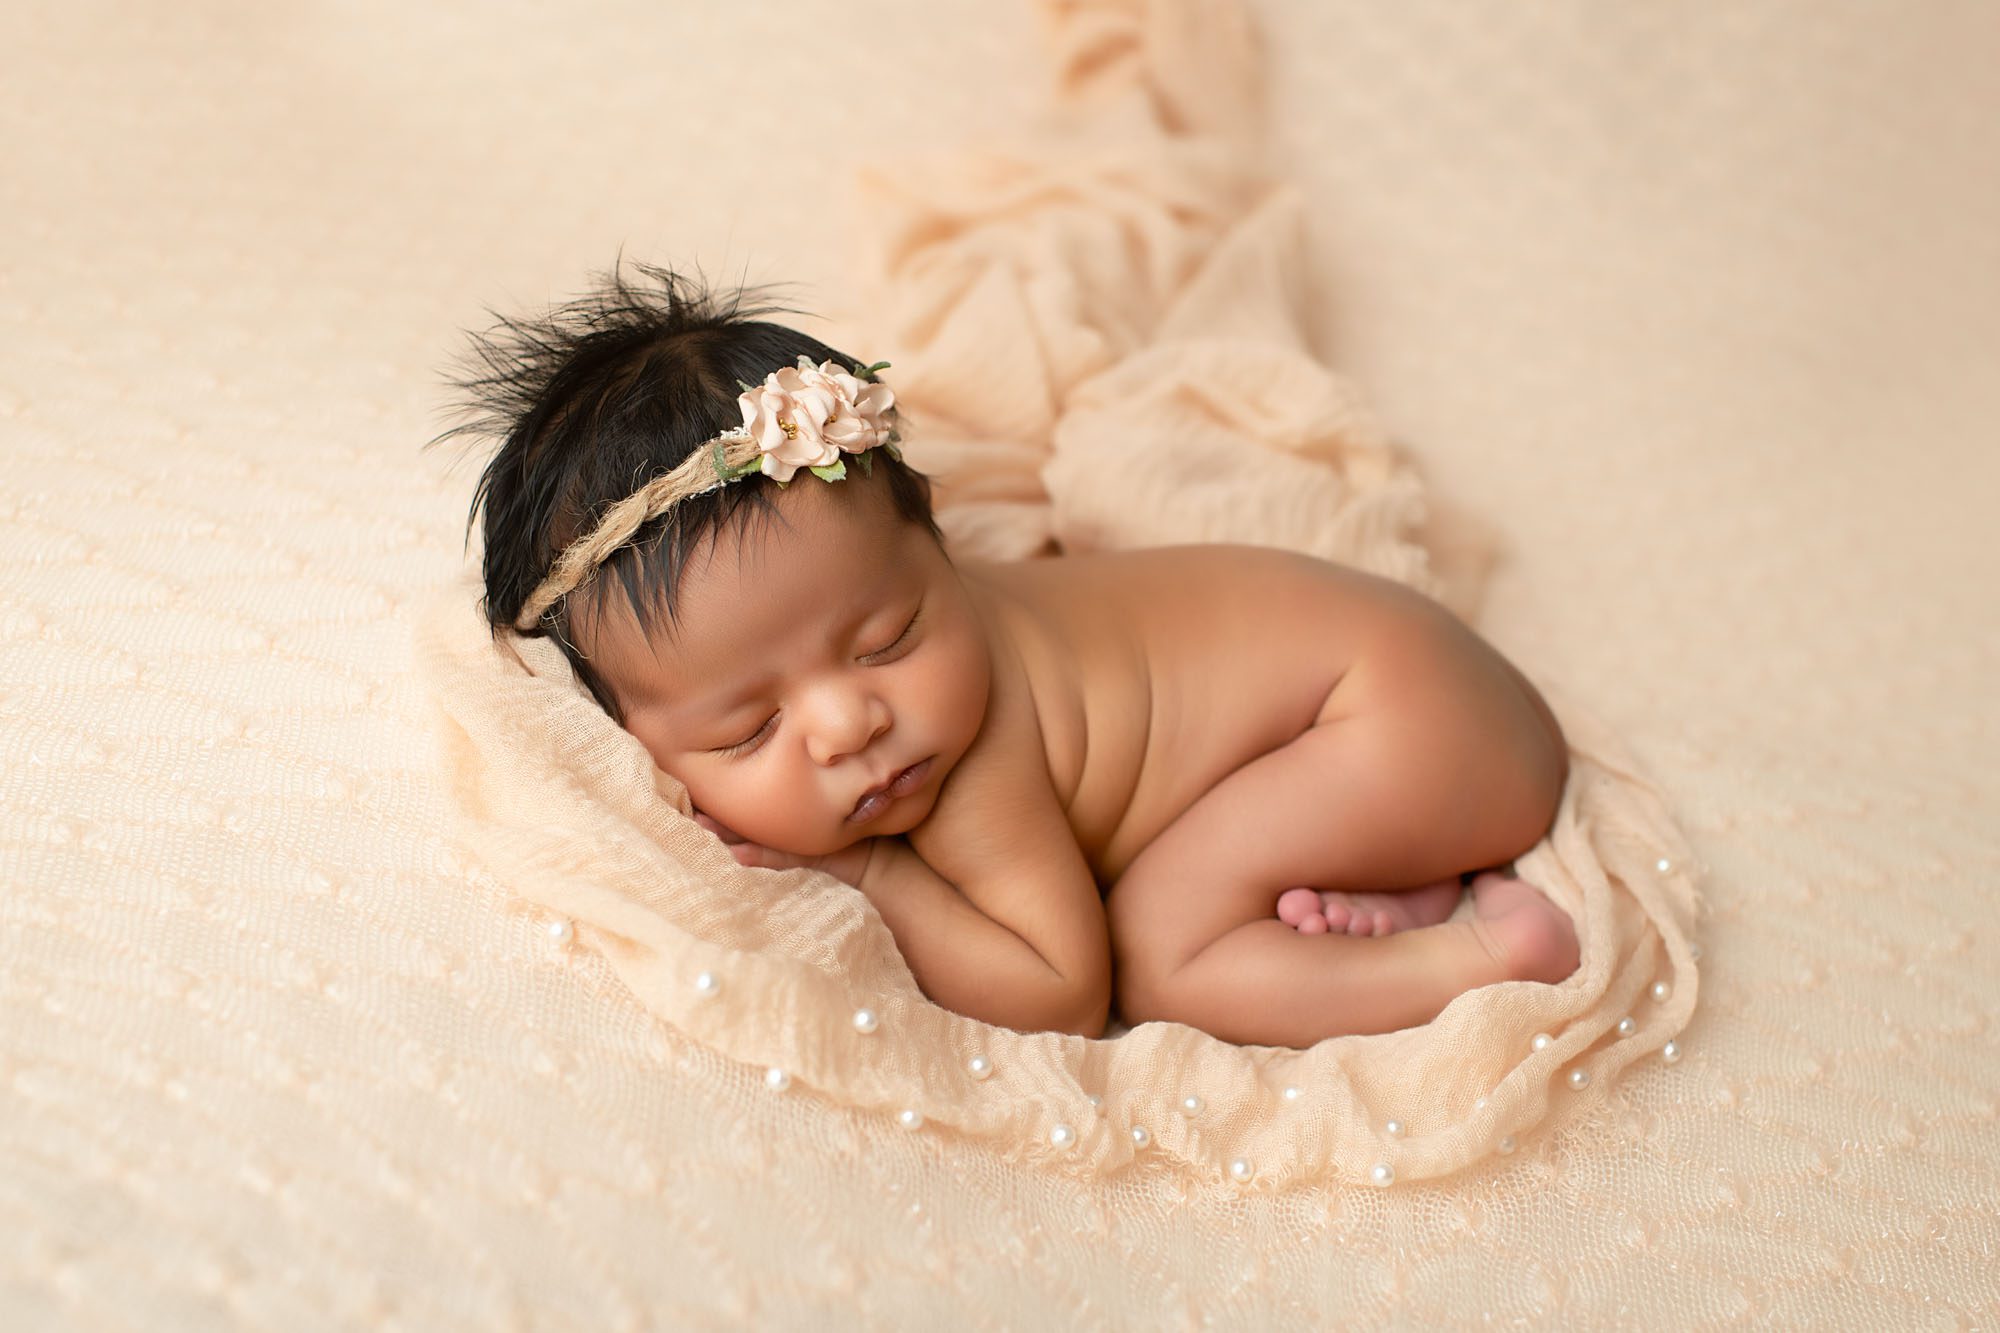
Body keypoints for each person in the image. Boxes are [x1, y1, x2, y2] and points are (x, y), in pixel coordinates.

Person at [446, 263, 1579, 1049]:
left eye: (888, 637)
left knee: (1157, 948)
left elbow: (1060, 992)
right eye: (747, 729)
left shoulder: (970, 761)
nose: (851, 725)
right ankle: (1394, 883)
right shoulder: (875, 637)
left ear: (934, 540)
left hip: (1408, 721)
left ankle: (1478, 955)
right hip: (1398, 704)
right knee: (1188, 856)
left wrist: (872, 872)